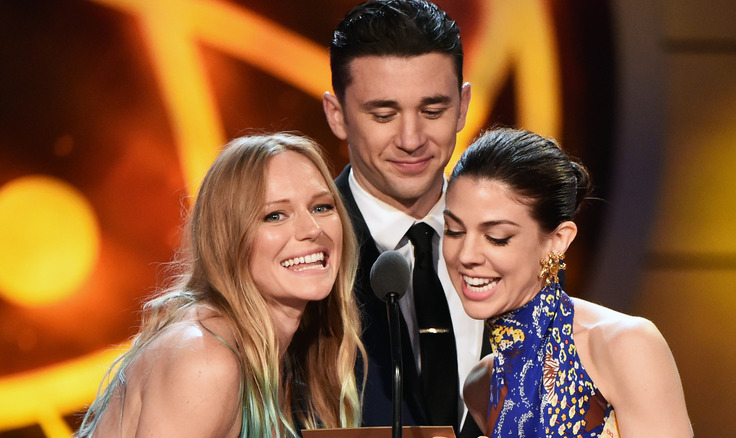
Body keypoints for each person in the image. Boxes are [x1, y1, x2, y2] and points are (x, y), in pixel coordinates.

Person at [77, 133, 364, 438]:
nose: (312, 230)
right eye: (275, 215)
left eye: (321, 207)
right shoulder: (206, 359)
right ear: (228, 238)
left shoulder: (277, 352)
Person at [442, 127, 694, 437]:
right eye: (454, 231)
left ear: (558, 240)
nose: (466, 255)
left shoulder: (626, 345)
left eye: (497, 237)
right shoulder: (481, 386)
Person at [321, 0, 485, 436]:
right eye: (384, 114)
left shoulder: (517, 241)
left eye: (433, 111)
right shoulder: (303, 248)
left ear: (463, 105)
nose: (411, 139)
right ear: (337, 115)